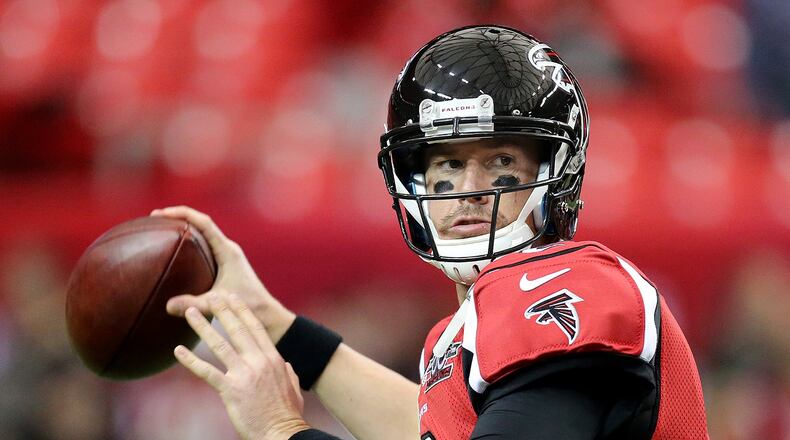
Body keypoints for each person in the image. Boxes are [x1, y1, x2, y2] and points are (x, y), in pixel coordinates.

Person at [152, 25, 709, 439]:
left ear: (553, 175)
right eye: (444, 166)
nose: (467, 188)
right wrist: (281, 327)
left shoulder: (576, 286)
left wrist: (279, 427)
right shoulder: (467, 331)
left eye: (500, 163)